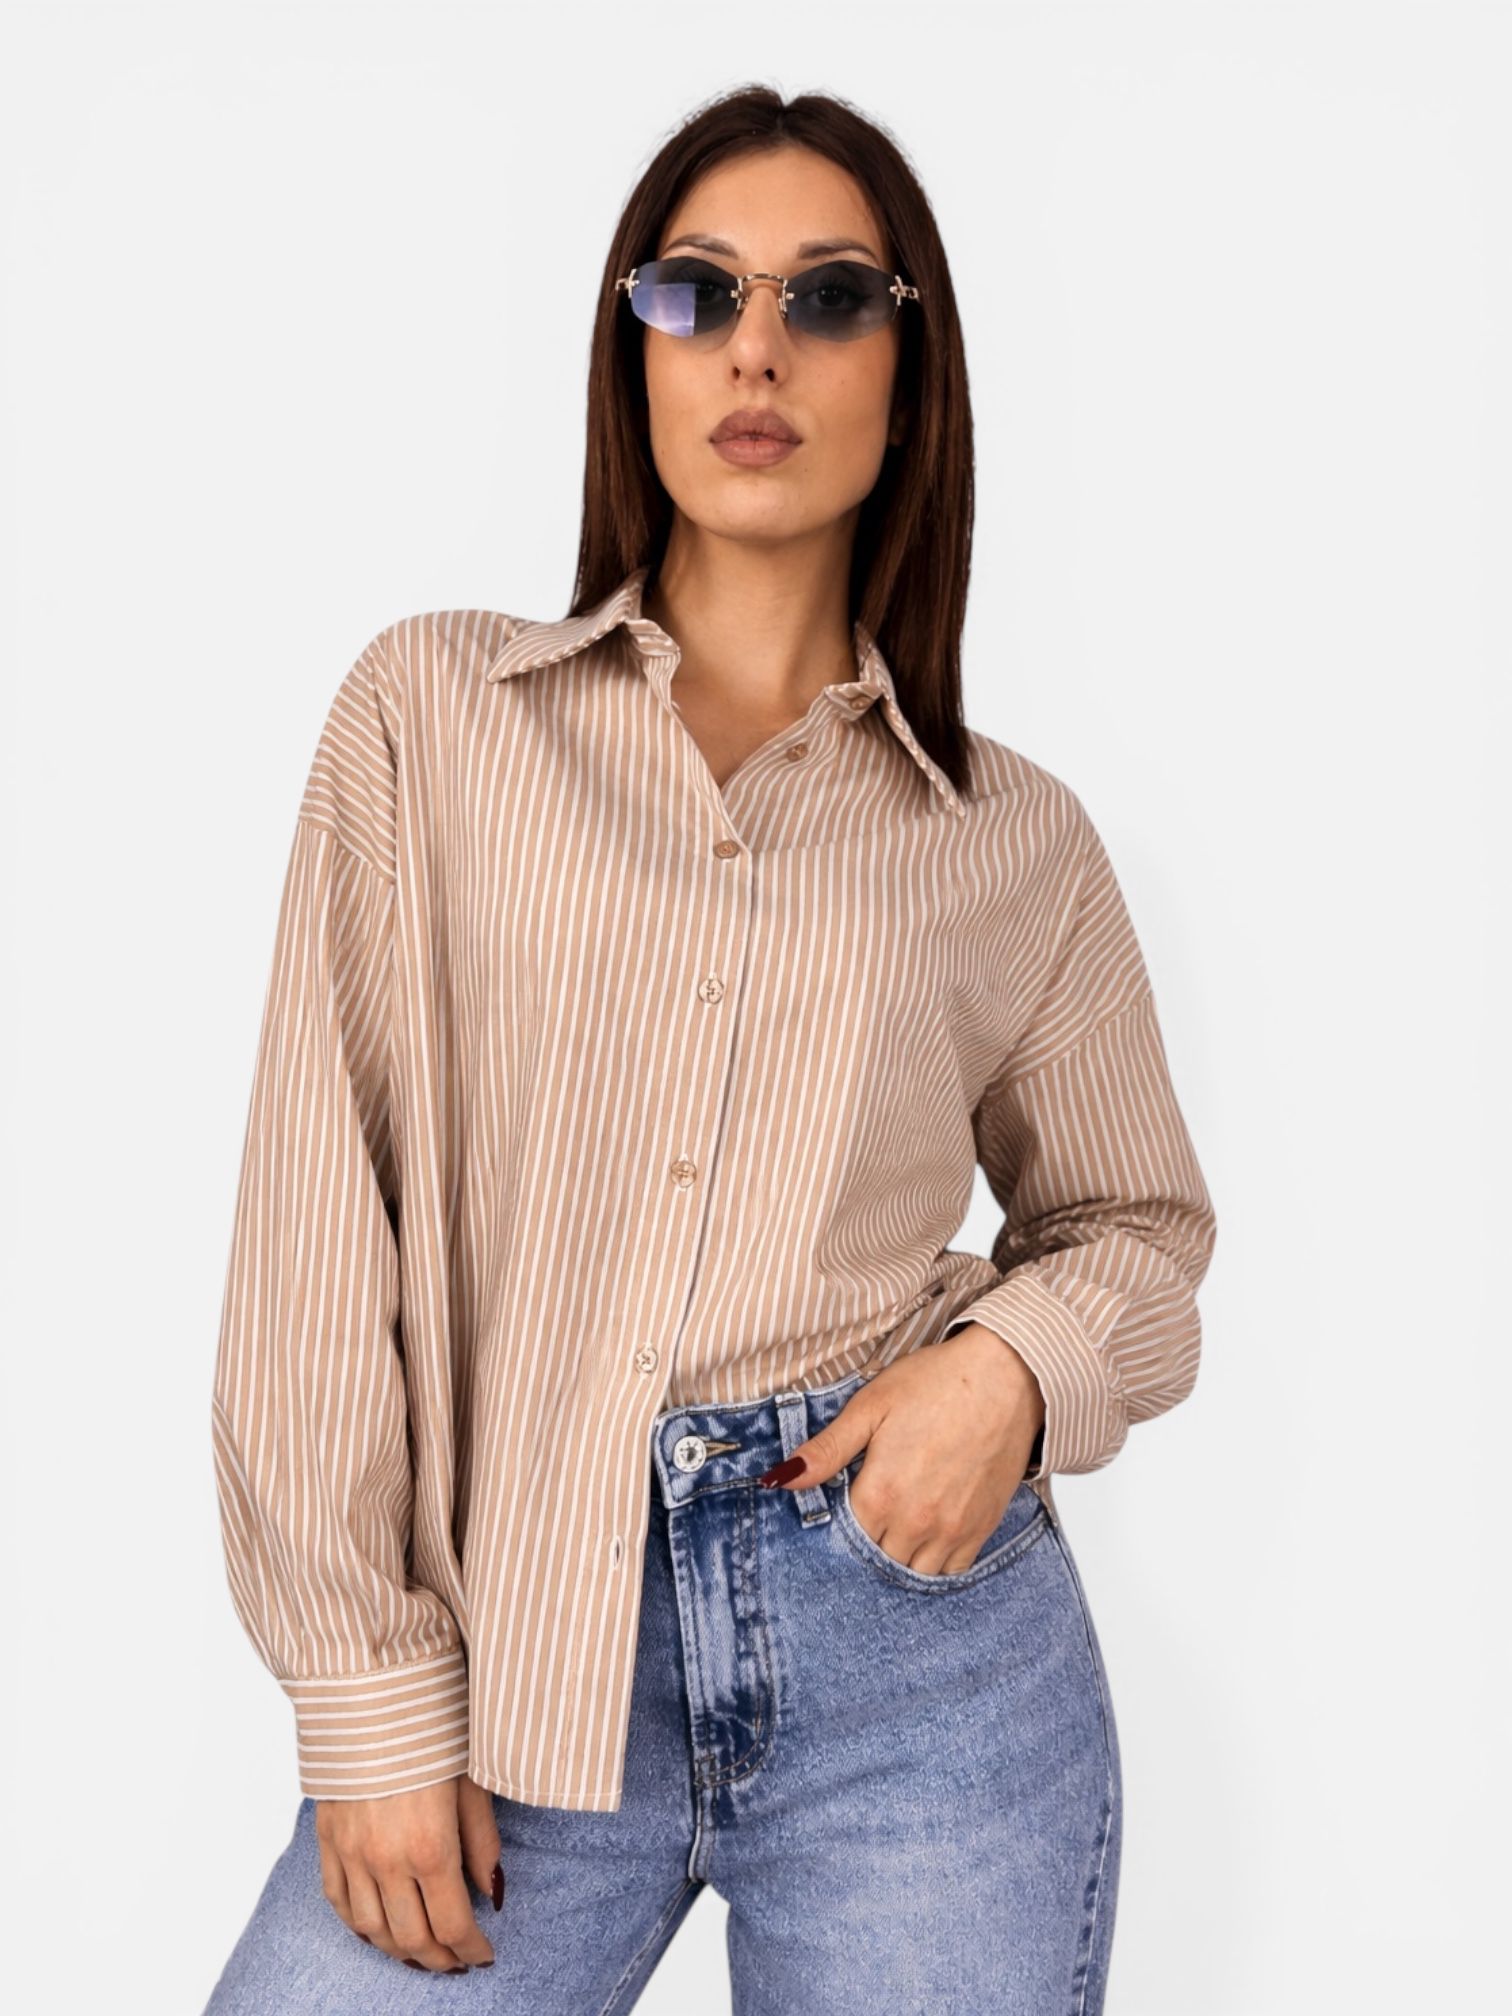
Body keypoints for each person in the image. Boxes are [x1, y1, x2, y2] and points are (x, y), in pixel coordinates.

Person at [203, 82, 1216, 2016]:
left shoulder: (1012, 841)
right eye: (696, 291)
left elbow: (1140, 1233)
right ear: (634, 353)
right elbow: (320, 1226)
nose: (758, 349)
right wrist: (366, 1694)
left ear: (909, 376)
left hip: (919, 1669)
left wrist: (1008, 1370)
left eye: (828, 297)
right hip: (516, 1663)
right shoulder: (431, 719)